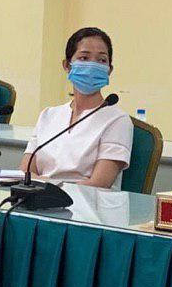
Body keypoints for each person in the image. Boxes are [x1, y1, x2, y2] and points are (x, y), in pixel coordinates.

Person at [22, 27, 131, 189]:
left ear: (109, 70)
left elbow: (99, 183)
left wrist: (46, 183)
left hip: (90, 203)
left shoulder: (117, 120)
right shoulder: (48, 115)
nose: (92, 65)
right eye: (84, 58)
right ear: (67, 65)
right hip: (40, 199)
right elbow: (25, 172)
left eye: (101, 60)